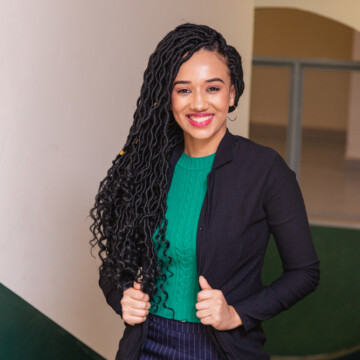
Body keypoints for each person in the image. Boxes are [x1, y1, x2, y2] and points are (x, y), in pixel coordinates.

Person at [89, 23, 320, 360]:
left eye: (212, 88)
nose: (198, 104)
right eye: (183, 90)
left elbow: (305, 272)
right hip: (145, 345)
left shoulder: (265, 170)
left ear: (232, 93)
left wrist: (237, 314)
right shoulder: (148, 167)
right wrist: (121, 296)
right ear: (167, 97)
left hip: (219, 350)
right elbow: (115, 264)